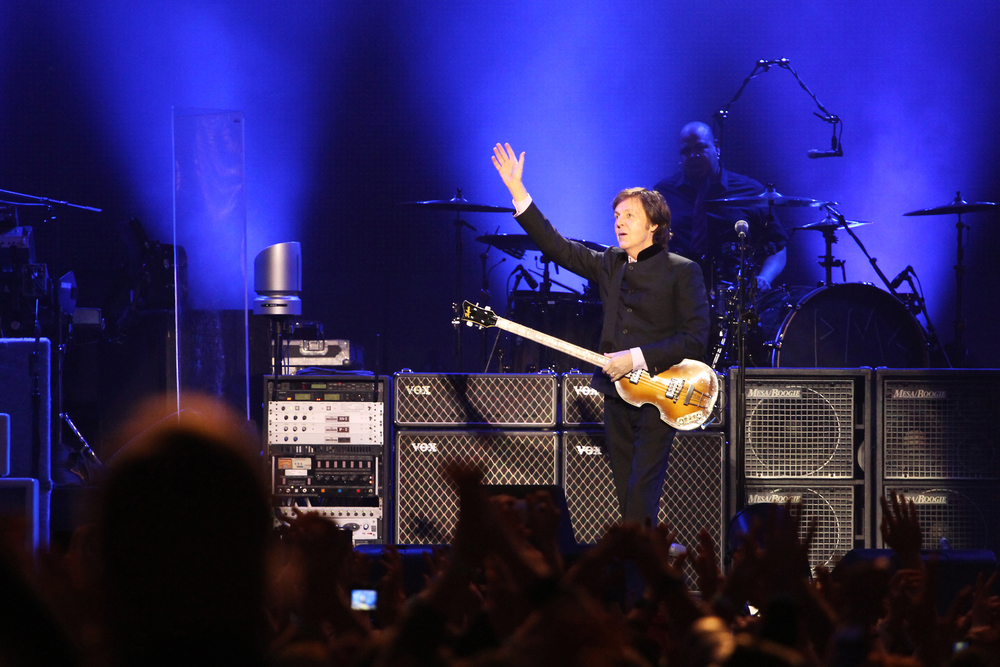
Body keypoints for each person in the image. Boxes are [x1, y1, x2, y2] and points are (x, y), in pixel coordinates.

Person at [491, 142, 709, 527]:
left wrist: (636, 357)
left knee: (642, 490)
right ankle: (640, 571)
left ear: (654, 225)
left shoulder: (683, 270)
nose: (619, 223)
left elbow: (694, 340)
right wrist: (518, 192)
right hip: (616, 393)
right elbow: (558, 248)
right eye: (616, 216)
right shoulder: (610, 262)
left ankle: (641, 573)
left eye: (629, 215)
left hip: (662, 394)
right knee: (626, 493)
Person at [653, 121, 788, 294]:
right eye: (686, 151)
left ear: (717, 148)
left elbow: (778, 246)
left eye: (700, 147)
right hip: (677, 293)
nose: (693, 155)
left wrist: (764, 278)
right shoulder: (663, 193)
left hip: (735, 294)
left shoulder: (750, 191)